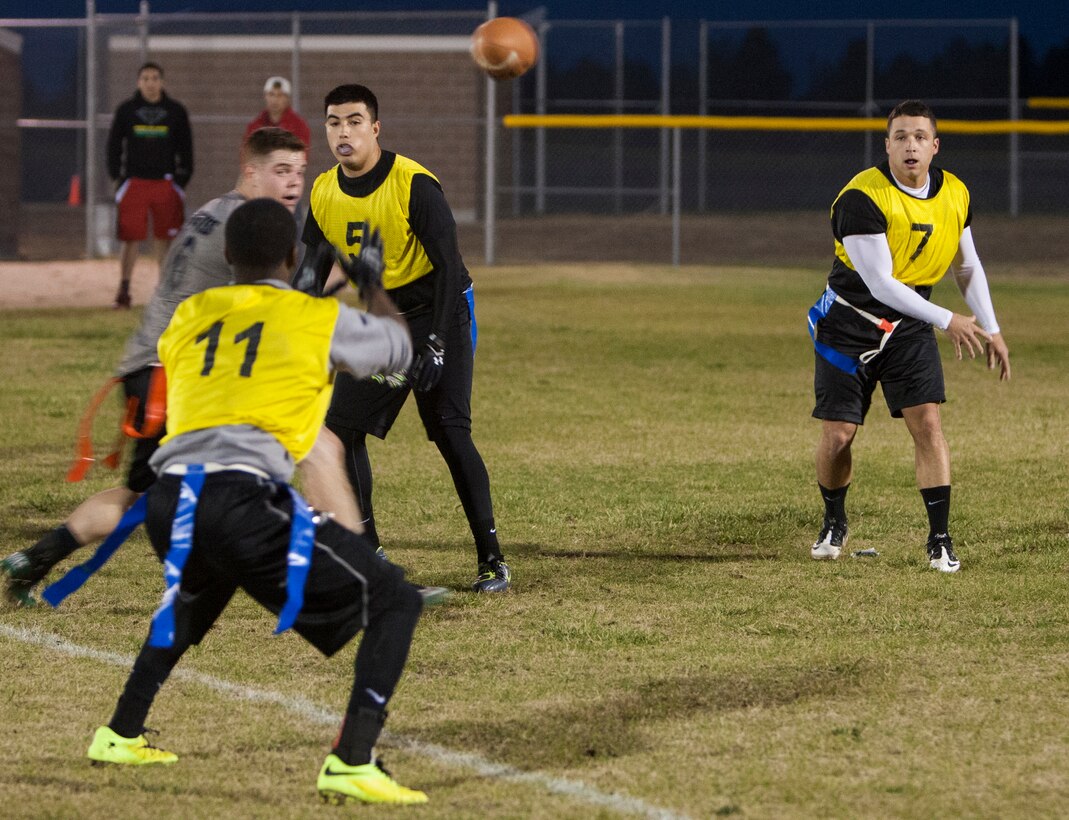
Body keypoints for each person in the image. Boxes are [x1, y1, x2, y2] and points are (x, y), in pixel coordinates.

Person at [80, 198, 428, 805]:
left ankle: (120, 731)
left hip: (170, 498)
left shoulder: (187, 315)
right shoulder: (313, 319)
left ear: (230, 257)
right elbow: (399, 348)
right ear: (293, 255)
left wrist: (299, 291)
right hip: (238, 497)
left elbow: (251, 327)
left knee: (196, 598)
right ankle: (352, 760)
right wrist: (370, 284)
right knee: (395, 599)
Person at [0, 128, 363, 608]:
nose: (294, 183)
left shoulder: (213, 210)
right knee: (317, 445)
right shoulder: (249, 225)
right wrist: (358, 271)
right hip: (173, 374)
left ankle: (34, 559)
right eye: (281, 171)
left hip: (155, 367)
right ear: (250, 171)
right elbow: (291, 298)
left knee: (143, 497)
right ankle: (359, 578)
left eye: (299, 171)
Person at [300, 83, 510, 593]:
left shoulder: (413, 185)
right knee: (338, 425)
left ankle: (492, 559)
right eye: (333, 122)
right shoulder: (324, 191)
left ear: (375, 128)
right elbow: (309, 275)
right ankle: (368, 552)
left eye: (354, 121)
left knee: (448, 431)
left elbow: (448, 271)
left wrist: (436, 344)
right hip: (386, 320)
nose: (343, 132)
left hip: (442, 311)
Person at [807, 99, 1011, 572]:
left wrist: (992, 327)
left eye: (920, 137)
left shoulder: (955, 193)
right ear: (887, 145)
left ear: (935, 146)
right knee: (839, 435)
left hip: (909, 325)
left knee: (929, 424)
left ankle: (939, 539)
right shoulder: (863, 196)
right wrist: (948, 320)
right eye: (900, 137)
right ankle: (834, 521)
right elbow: (880, 284)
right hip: (849, 322)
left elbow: (966, 265)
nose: (910, 145)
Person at [106, 62, 194, 309]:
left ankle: (163, 294)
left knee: (164, 239)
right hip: (135, 182)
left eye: (155, 77)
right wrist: (118, 178)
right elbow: (114, 146)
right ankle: (124, 291)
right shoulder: (127, 110)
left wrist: (181, 180)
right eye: (145, 78)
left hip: (165, 183)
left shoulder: (175, 111)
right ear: (138, 82)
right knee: (130, 239)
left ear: (162, 82)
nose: (150, 82)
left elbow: (186, 149)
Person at [245, 76, 312, 154]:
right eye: (271, 94)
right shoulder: (255, 125)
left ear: (287, 99)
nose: (275, 100)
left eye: (280, 95)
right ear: (265, 97)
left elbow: (302, 154)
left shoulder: (299, 125)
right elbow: (247, 154)